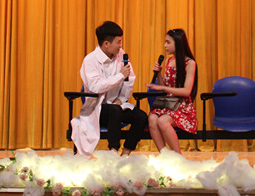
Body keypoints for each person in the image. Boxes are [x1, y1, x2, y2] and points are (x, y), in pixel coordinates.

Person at [70, 21, 148, 157]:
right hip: (96, 108)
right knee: (114, 111)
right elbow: (96, 87)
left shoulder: (121, 55)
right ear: (106, 44)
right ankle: (113, 152)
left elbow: (129, 80)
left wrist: (121, 99)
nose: (121, 45)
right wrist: (120, 76)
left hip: (116, 105)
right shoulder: (90, 60)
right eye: (118, 42)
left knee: (140, 117)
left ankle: (125, 154)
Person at [147, 28, 197, 153]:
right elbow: (165, 87)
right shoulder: (169, 61)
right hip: (168, 104)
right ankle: (165, 155)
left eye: (168, 42)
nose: (165, 45)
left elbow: (186, 91)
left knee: (163, 121)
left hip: (182, 106)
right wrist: (159, 75)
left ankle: (178, 156)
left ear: (178, 43)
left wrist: (163, 88)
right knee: (152, 119)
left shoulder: (190, 63)